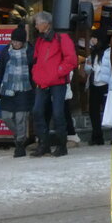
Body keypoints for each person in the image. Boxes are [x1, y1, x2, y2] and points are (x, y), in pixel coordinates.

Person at [30, 11, 77, 157]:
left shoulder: (61, 37)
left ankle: (61, 146)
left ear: (46, 23)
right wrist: (36, 74)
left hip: (57, 82)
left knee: (58, 114)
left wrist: (59, 72)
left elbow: (71, 59)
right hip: (43, 82)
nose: (36, 26)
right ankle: (44, 144)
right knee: (37, 112)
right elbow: (36, 60)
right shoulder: (40, 40)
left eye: (38, 23)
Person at [0, 25, 33, 157]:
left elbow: (35, 70)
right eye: (13, 41)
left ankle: (20, 144)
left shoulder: (30, 51)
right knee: (6, 116)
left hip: (24, 89)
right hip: (8, 89)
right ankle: (18, 135)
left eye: (18, 41)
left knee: (21, 118)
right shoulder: (5, 52)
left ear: (23, 42)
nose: (15, 43)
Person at [83, 29, 112, 146]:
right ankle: (97, 136)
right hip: (94, 84)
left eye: (94, 38)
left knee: (108, 111)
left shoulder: (107, 52)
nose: (92, 40)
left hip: (105, 85)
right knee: (93, 112)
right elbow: (88, 70)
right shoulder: (92, 53)